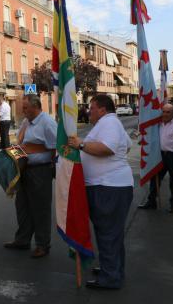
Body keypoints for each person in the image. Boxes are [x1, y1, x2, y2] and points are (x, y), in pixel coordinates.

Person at [67, 94, 133, 290]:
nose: (89, 111)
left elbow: (108, 148)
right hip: (109, 186)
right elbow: (127, 145)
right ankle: (112, 269)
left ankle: (110, 278)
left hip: (109, 187)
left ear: (102, 109)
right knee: (112, 234)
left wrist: (80, 144)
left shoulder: (109, 123)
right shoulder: (109, 123)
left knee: (108, 234)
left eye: (92, 107)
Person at [4, 94, 57, 258]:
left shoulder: (47, 123)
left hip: (40, 171)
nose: (22, 110)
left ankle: (43, 244)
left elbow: (57, 147)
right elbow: (21, 145)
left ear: (36, 106)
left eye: (25, 107)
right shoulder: (27, 122)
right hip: (24, 169)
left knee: (40, 209)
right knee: (22, 206)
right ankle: (22, 240)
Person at [138, 103, 173, 213]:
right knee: (154, 179)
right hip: (159, 155)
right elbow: (150, 134)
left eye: (168, 112)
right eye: (163, 111)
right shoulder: (157, 123)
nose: (165, 114)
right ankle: (151, 202)